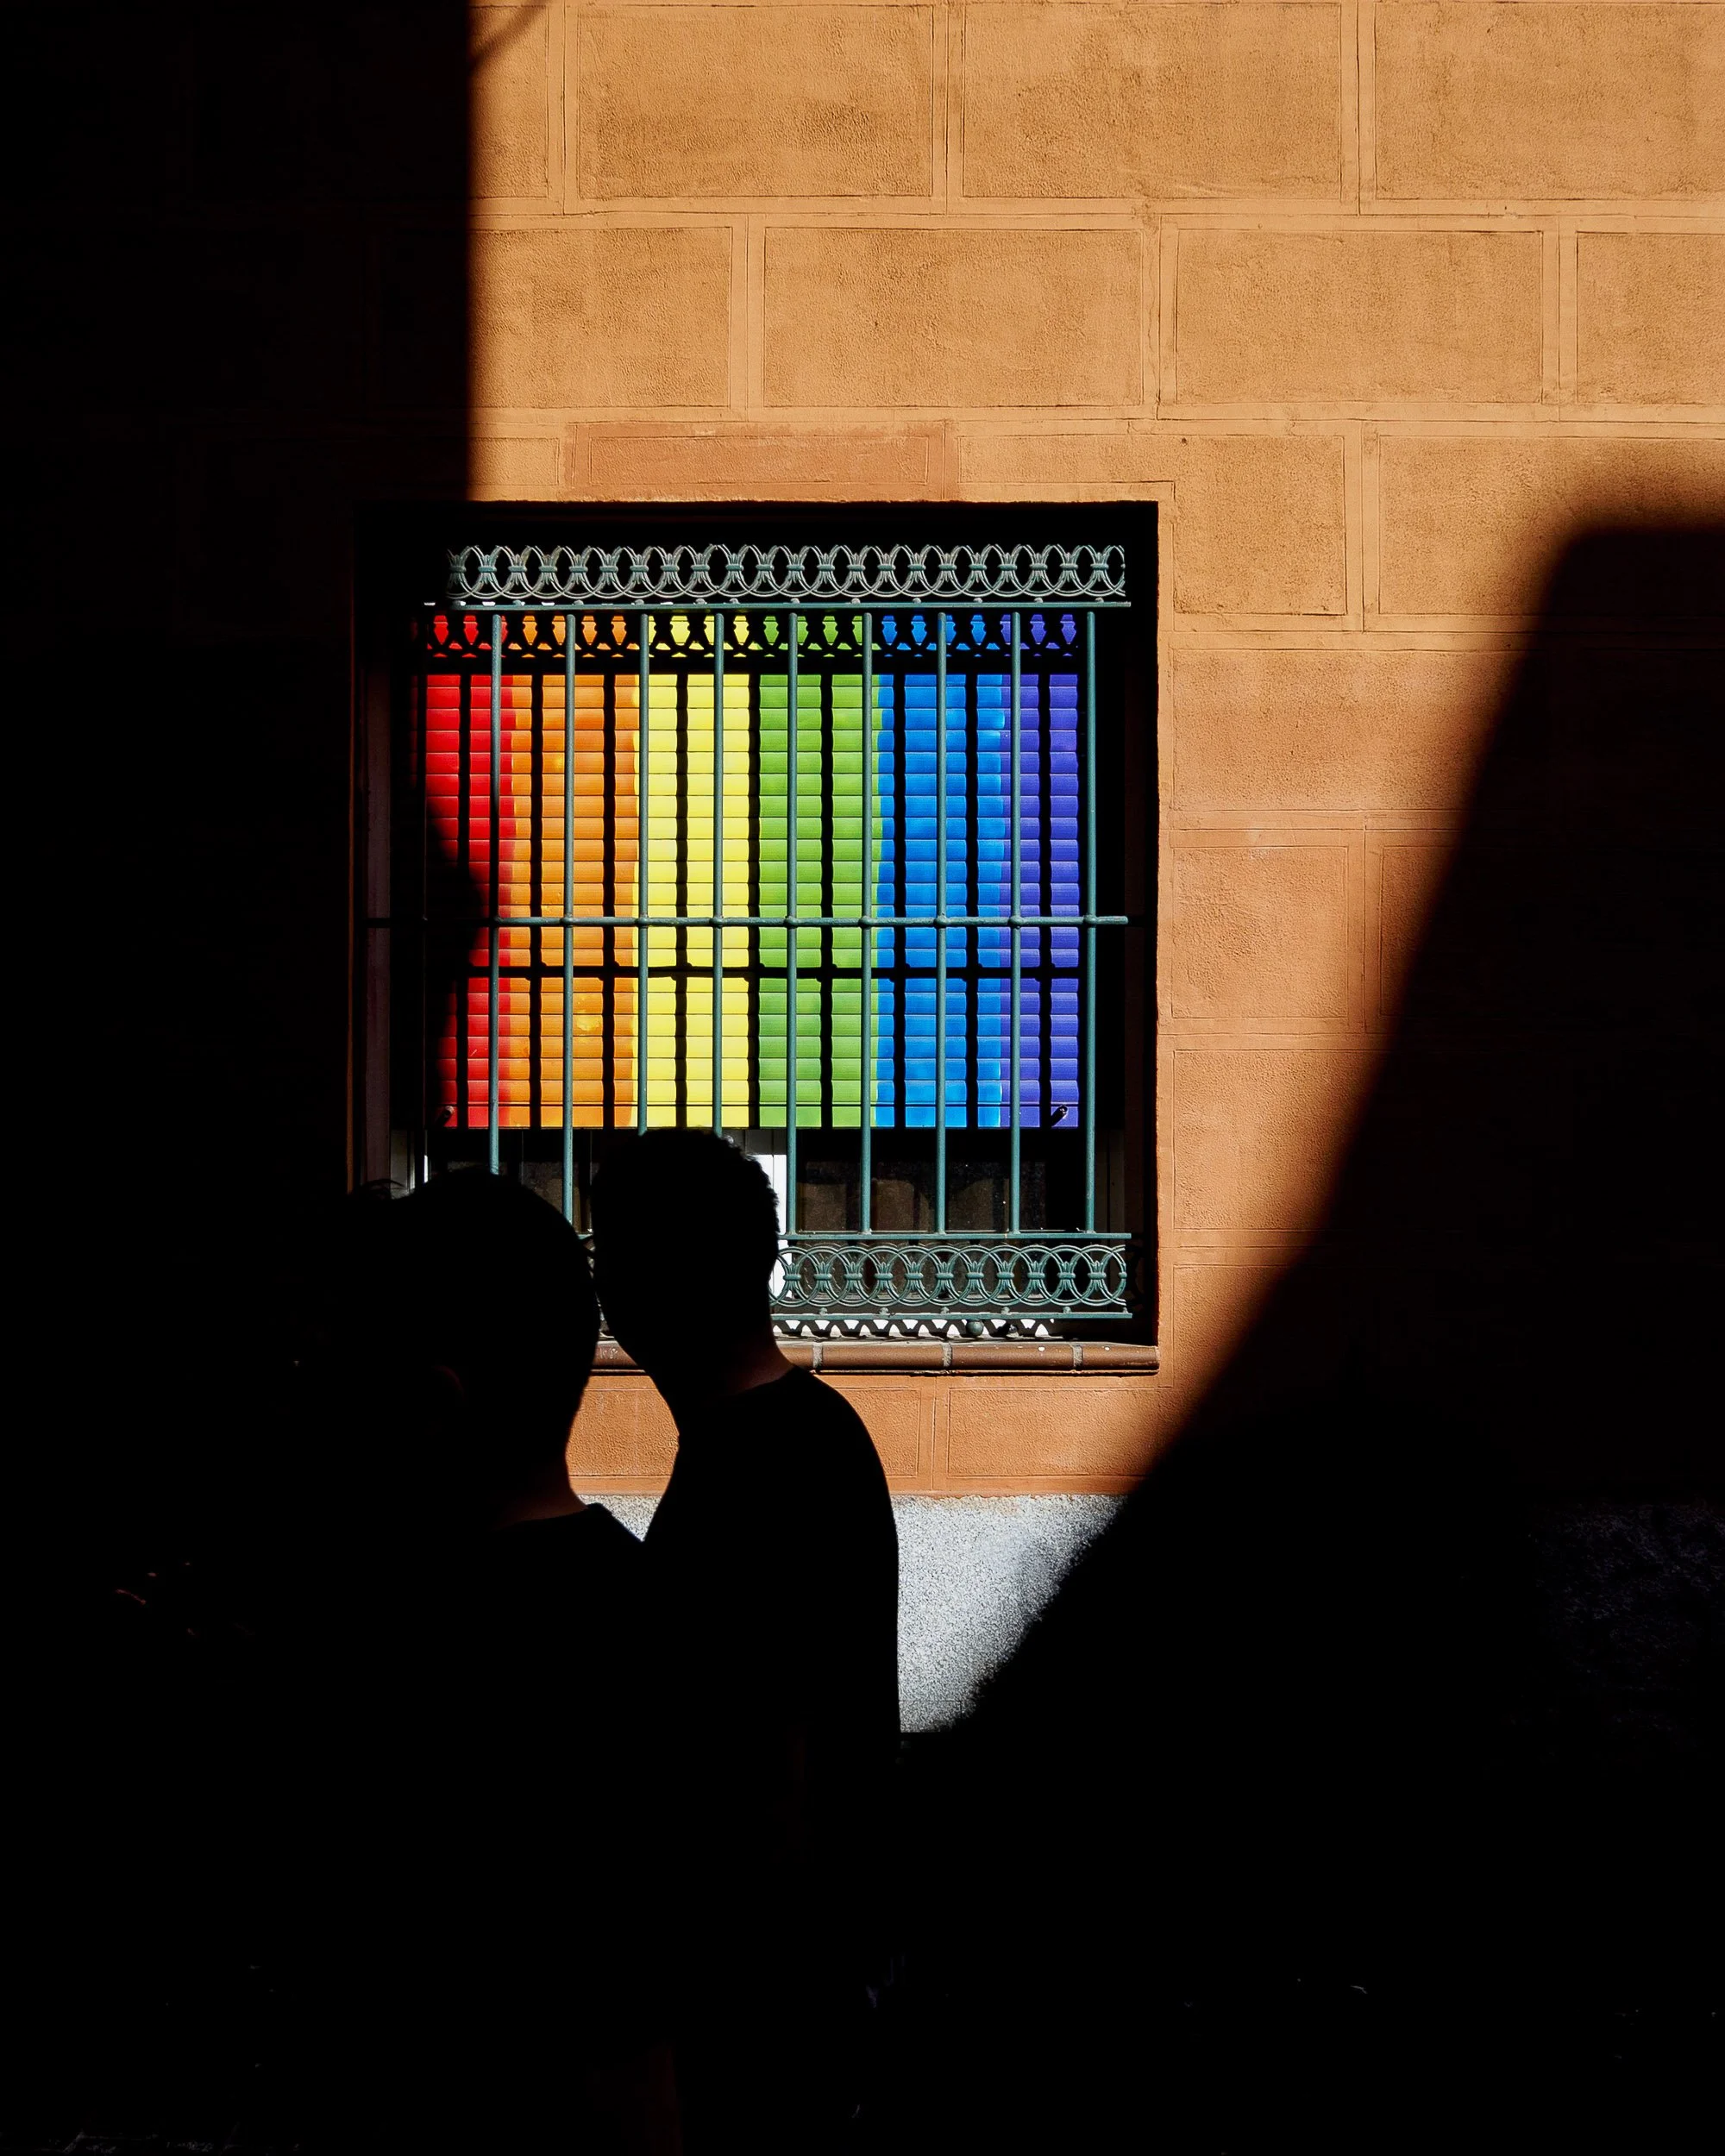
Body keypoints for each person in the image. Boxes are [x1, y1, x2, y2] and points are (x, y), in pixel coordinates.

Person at [291, 1172, 678, 2154]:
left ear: (426, 1405)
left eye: (327, 1370)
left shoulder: (413, 1644)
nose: (305, 1401)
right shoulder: (648, 1614)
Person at [589, 1131, 900, 2152]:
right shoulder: (803, 1432)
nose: (601, 1287)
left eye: (610, 1255)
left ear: (652, 1278)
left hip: (764, 2011)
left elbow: (774, 1764)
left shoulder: (758, 1470)